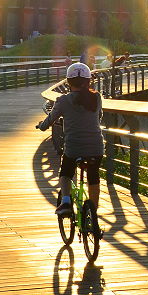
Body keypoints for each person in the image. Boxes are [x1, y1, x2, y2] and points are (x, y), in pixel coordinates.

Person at [37, 62, 104, 216]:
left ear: (68, 82)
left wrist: (42, 126)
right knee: (93, 176)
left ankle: (66, 202)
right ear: (89, 81)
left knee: (66, 173)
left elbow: (51, 119)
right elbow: (99, 117)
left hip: (74, 147)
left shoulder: (63, 100)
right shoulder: (97, 98)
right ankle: (93, 213)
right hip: (96, 146)